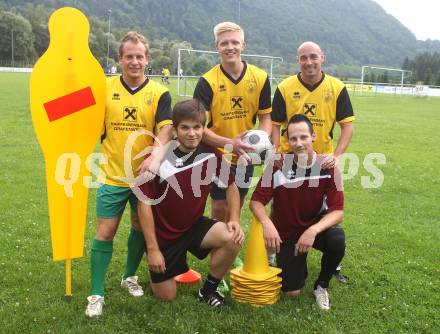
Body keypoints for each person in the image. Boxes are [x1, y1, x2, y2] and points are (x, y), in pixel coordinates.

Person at [85, 31, 173, 317]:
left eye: (140, 56)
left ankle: (128, 276)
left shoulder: (159, 92)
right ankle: (96, 292)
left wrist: (156, 155)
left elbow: (166, 128)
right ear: (120, 59)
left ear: (147, 59)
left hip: (144, 179)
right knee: (105, 231)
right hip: (112, 175)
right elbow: (73, 113)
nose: (134, 62)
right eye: (129, 57)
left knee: (139, 227)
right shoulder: (103, 87)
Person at [137, 99, 244, 307]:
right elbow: (144, 205)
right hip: (164, 238)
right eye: (185, 127)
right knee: (167, 297)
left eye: (197, 127)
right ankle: (161, 271)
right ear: (175, 130)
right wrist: (152, 249)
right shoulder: (159, 158)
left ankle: (209, 291)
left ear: (204, 128)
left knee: (232, 237)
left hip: (192, 226)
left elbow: (231, 185)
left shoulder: (209, 153)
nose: (192, 133)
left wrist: (235, 219)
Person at [271, 41, 354, 280]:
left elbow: (347, 126)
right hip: (290, 159)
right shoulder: (286, 87)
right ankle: (274, 249)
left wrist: (335, 157)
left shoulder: (336, 87)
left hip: (322, 162)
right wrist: (277, 151)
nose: (309, 62)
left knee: (328, 209)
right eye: (304, 58)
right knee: (281, 207)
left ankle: (331, 256)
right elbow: (275, 125)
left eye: (313, 57)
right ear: (298, 60)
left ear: (322, 57)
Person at [250, 114, 345, 310]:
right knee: (292, 292)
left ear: (313, 136)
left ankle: (322, 286)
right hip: (288, 233)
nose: (298, 143)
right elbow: (256, 202)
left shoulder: (327, 166)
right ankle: (288, 260)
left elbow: (337, 212)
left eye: (303, 137)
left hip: (313, 227)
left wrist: (312, 231)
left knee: (336, 239)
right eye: (293, 138)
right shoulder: (277, 165)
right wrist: (267, 223)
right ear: (287, 140)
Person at [193, 21, 272, 222]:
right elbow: (197, 127)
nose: (230, 47)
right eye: (224, 43)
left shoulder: (260, 77)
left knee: (236, 207)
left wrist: (262, 140)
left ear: (243, 45)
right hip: (217, 153)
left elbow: (265, 117)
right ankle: (218, 250)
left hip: (246, 153)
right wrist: (229, 144)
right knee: (219, 207)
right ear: (217, 47)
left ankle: (228, 250)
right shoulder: (207, 81)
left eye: (235, 42)